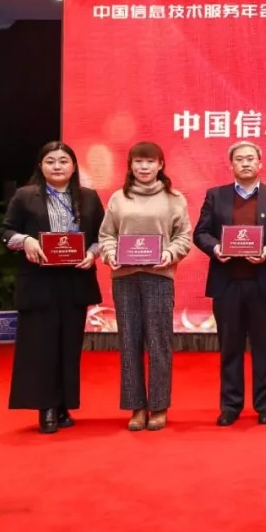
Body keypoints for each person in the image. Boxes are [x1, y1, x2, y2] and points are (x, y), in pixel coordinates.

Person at [0, 141, 104, 434]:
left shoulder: (88, 197)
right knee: (40, 346)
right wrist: (25, 241)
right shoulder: (25, 196)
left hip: (75, 281)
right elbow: (4, 231)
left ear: (74, 166)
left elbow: (102, 235)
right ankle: (45, 407)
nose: (57, 166)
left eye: (63, 161)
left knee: (69, 347)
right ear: (41, 166)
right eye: (50, 161)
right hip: (39, 281)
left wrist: (92, 253)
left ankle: (63, 404)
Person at [193, 141, 266, 427]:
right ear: (232, 165)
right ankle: (230, 405)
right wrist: (216, 248)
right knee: (230, 346)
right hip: (227, 283)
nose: (246, 163)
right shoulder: (215, 196)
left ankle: (265, 405)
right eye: (240, 159)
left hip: (264, 282)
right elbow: (201, 233)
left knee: (264, 345)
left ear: (260, 163)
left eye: (251, 158)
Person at [99, 141, 192, 431]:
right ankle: (136, 407)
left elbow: (184, 237)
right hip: (125, 277)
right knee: (129, 342)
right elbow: (106, 235)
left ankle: (159, 407)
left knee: (159, 342)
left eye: (150, 161)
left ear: (160, 165)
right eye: (138, 161)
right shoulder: (118, 198)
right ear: (130, 166)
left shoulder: (174, 198)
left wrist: (169, 254)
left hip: (159, 276)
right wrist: (111, 254)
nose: (144, 167)